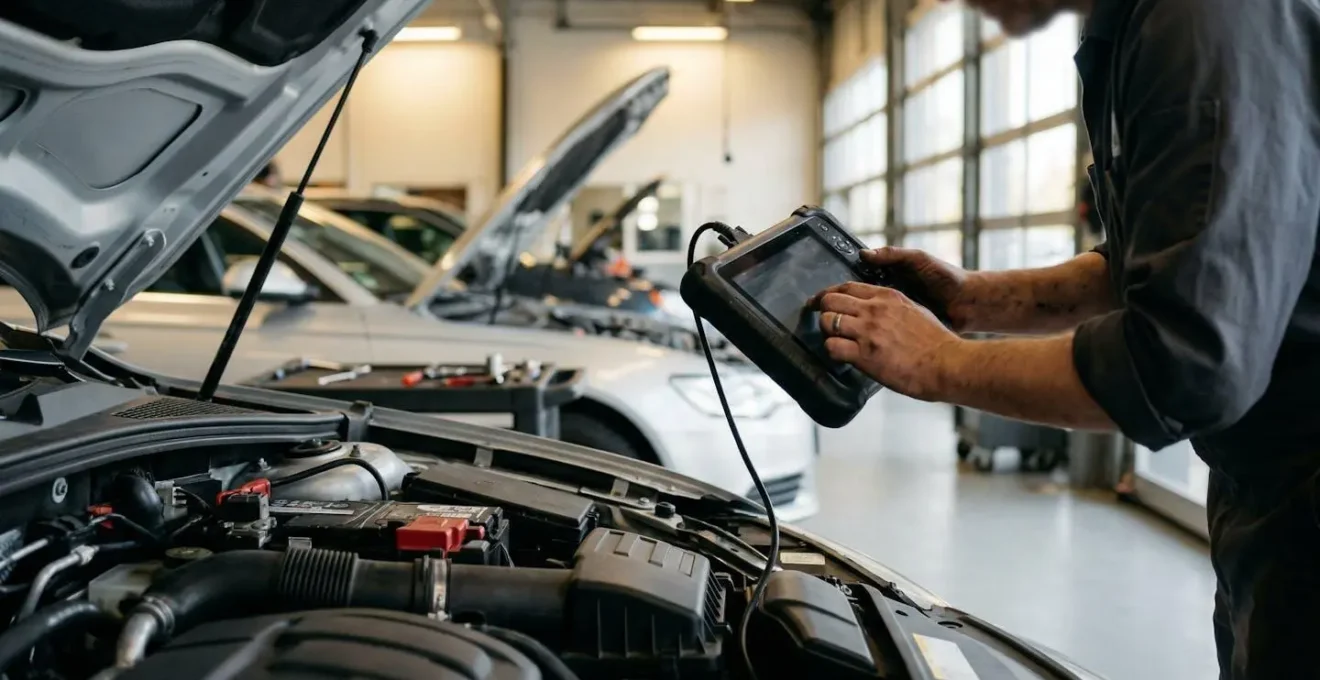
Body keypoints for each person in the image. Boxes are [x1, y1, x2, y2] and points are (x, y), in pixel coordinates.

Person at [811, 0, 1320, 678]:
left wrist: (937, 362)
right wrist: (976, 299)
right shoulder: (1130, 28)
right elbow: (1171, 257)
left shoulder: (1202, 20)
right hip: (1265, 485)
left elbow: (1187, 363)